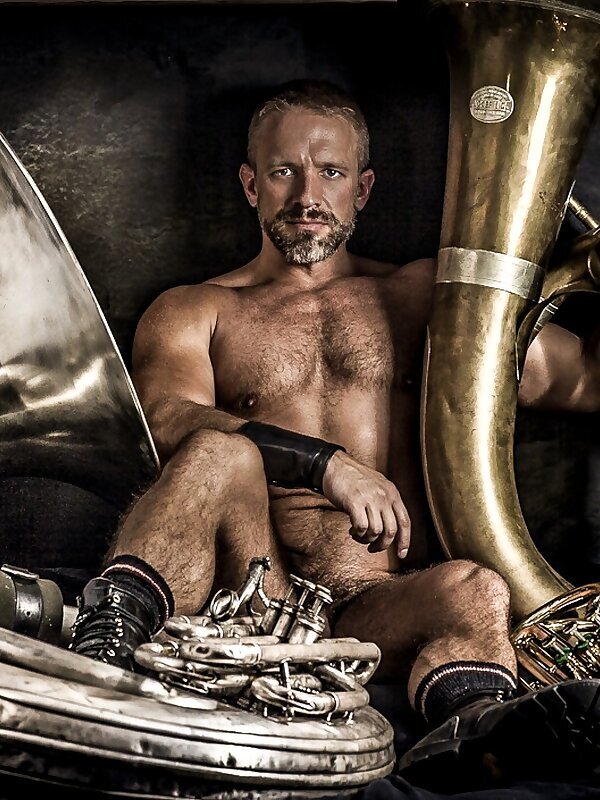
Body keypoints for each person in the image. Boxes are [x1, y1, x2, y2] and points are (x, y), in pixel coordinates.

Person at [69, 79, 600, 787]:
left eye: (331, 172)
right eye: (283, 172)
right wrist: (325, 464)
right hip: (250, 590)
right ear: (250, 185)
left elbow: (582, 380)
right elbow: (169, 422)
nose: (307, 195)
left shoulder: (427, 298)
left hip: (375, 602)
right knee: (216, 454)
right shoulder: (198, 309)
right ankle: (99, 657)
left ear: (363, 188)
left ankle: (477, 741)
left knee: (475, 590)